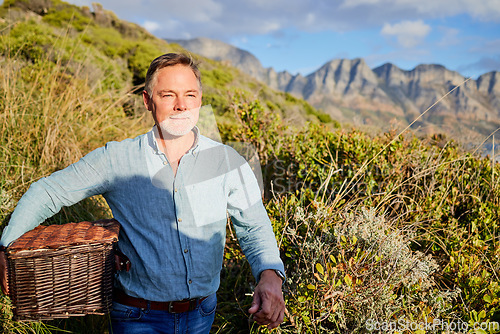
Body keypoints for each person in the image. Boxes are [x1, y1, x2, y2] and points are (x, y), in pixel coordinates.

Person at [0, 53, 285, 333]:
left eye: (190, 95)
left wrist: (270, 276)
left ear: (200, 100)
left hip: (202, 314)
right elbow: (49, 191)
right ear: (148, 101)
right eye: (168, 95)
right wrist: (6, 246)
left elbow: (254, 226)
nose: (180, 106)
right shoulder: (117, 159)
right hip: (138, 317)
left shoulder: (226, 160)